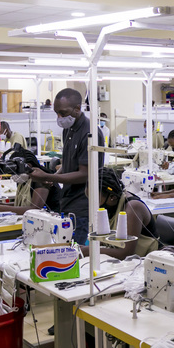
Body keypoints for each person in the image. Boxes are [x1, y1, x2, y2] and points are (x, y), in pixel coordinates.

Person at [30, 88, 104, 244]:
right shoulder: (68, 130)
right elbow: (68, 160)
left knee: (75, 254)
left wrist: (47, 176)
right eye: (56, 113)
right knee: (65, 249)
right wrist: (55, 176)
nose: (59, 117)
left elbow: (85, 173)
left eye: (62, 113)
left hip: (83, 206)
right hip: (67, 202)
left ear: (77, 108)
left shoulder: (90, 133)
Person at [80, 168, 158, 259]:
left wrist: (87, 251)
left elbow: (126, 253)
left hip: (146, 263)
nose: (92, 203)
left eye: (96, 199)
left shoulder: (132, 208)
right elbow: (103, 240)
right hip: (124, 264)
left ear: (112, 197)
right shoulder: (110, 207)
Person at [0, 147, 54, 215]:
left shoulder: (41, 178)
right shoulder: (24, 180)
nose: (14, 175)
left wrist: (0, 208)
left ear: (28, 166)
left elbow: (35, 209)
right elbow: (20, 205)